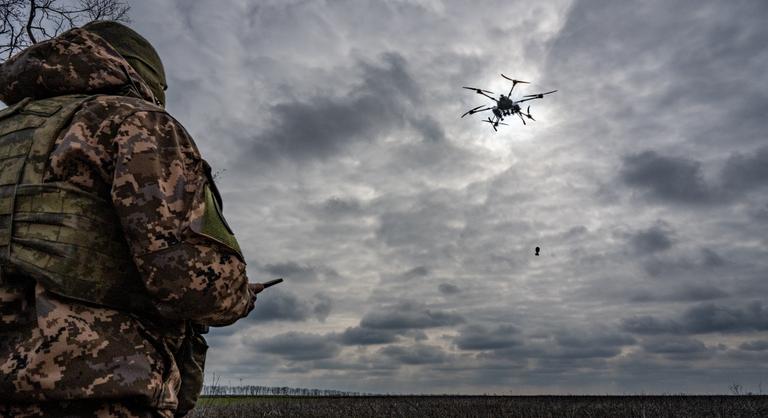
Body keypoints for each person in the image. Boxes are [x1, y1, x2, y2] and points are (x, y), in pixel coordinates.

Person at [0, 21, 263, 417]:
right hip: (91, 388)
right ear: (142, 75)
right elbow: (190, 282)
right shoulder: (134, 122)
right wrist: (241, 296)